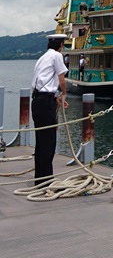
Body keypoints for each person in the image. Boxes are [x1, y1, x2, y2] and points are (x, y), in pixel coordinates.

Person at [31, 34, 68, 185]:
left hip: (37, 100)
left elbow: (42, 82)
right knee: (49, 141)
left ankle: (39, 178)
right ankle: (47, 181)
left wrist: (54, 98)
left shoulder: (42, 58)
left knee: (40, 141)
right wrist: (64, 94)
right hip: (45, 102)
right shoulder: (56, 56)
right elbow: (61, 79)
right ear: (60, 45)